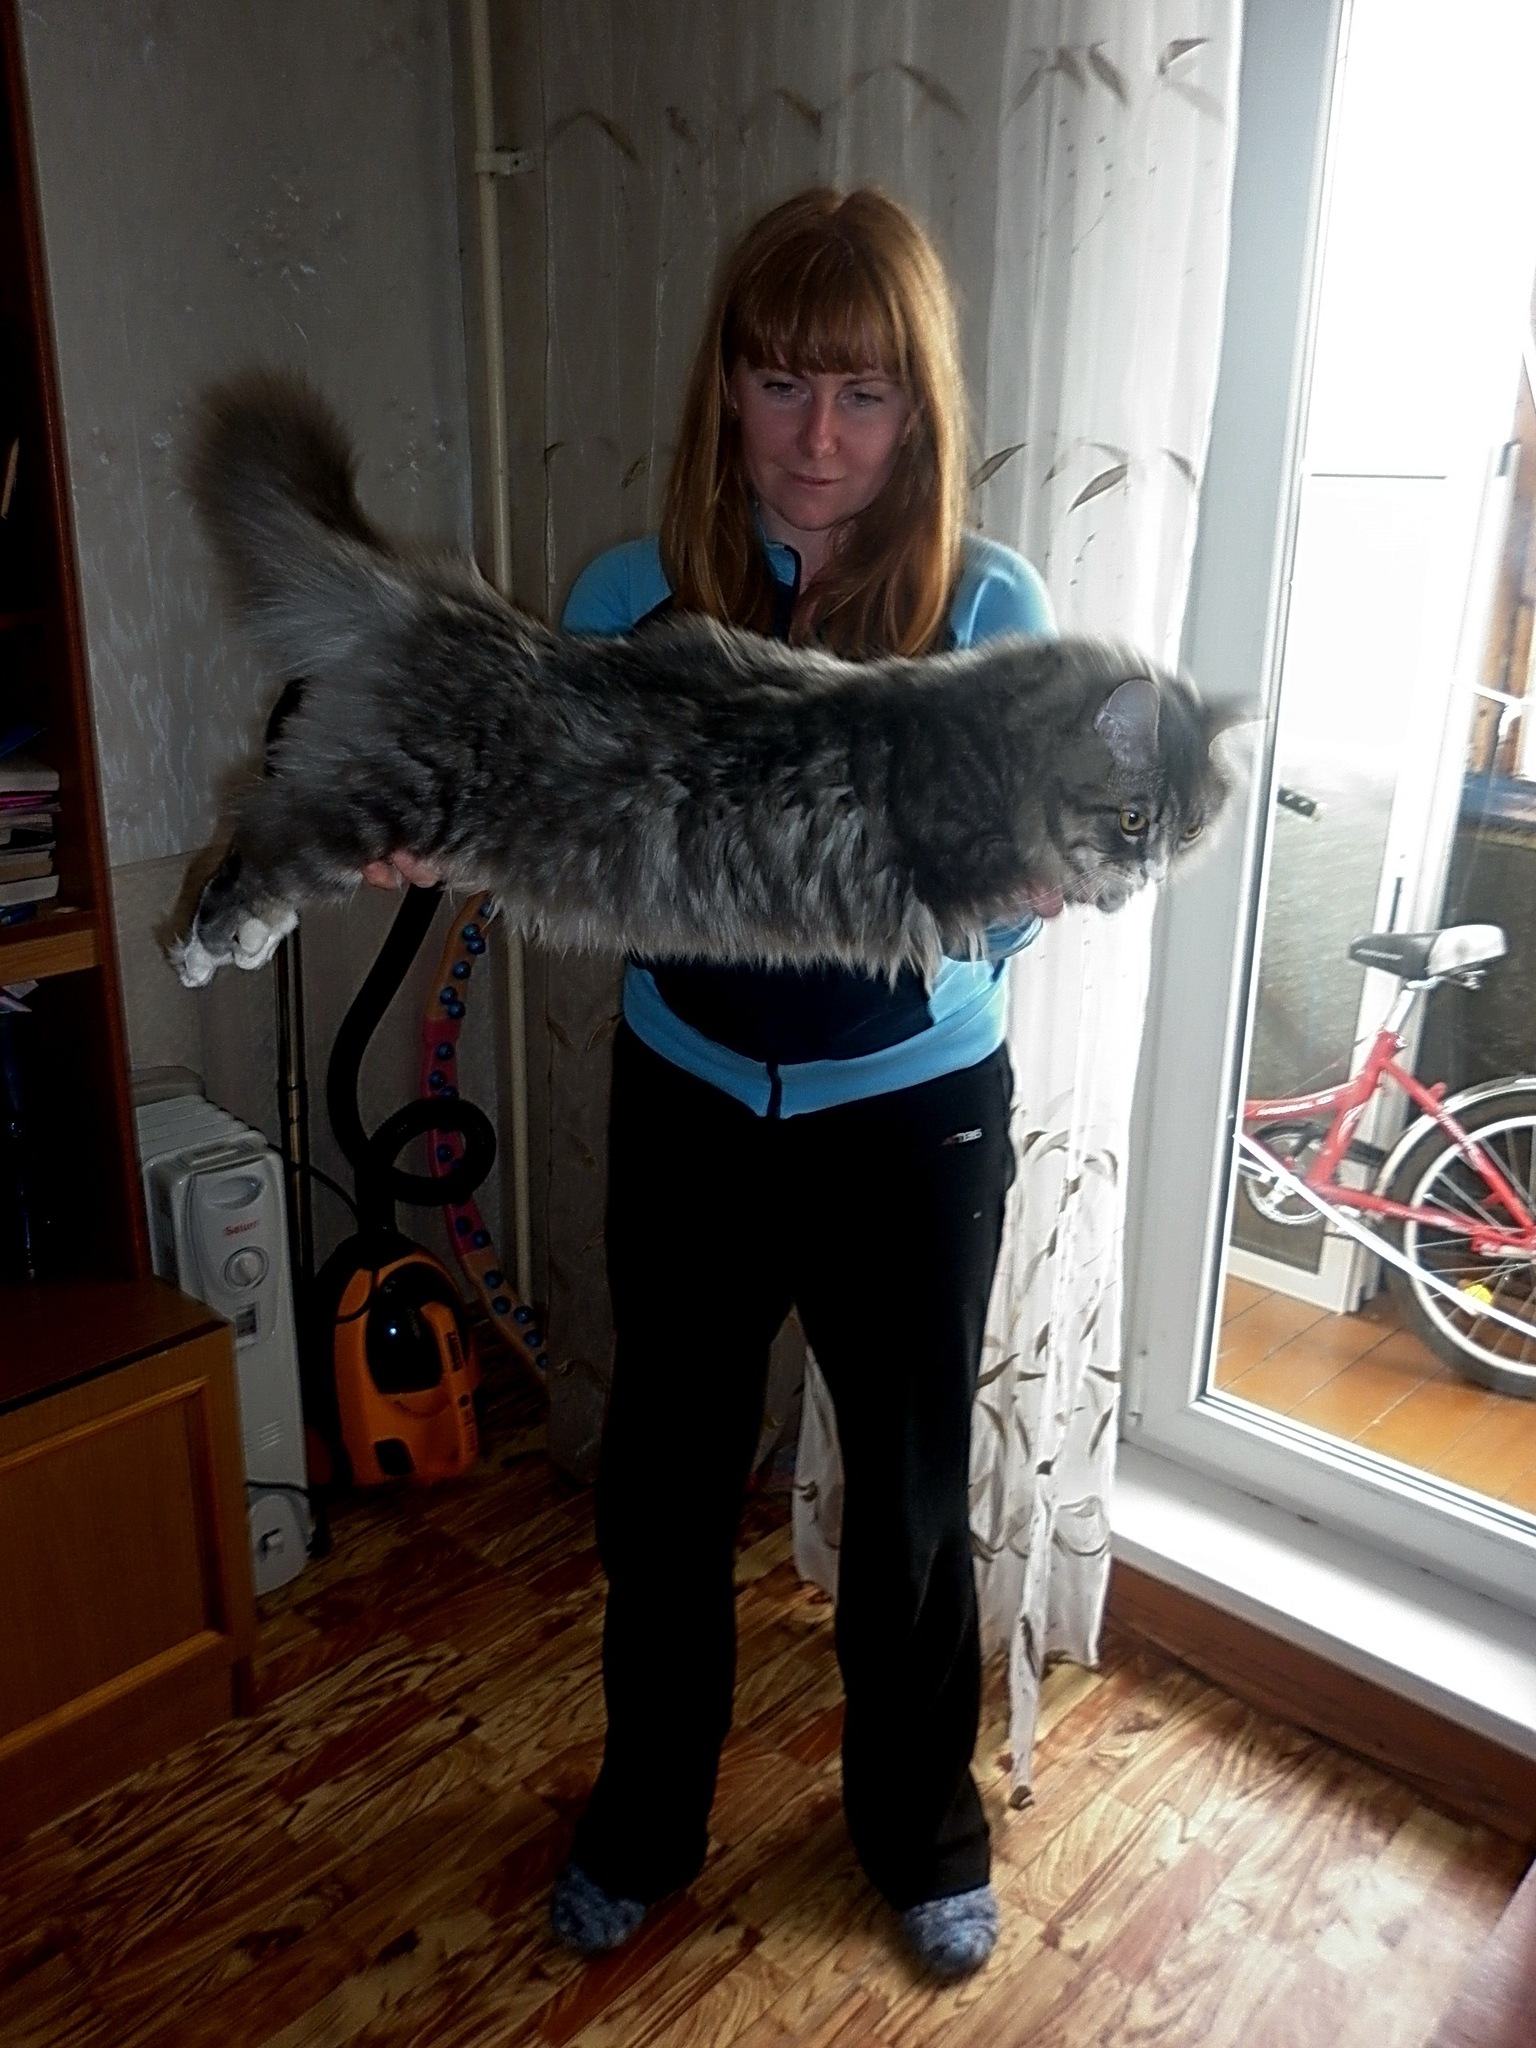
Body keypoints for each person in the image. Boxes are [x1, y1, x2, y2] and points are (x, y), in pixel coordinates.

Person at [537, 187, 1057, 1980]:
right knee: (665, 1492)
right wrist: (451, 827)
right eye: (781, 386)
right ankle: (647, 1813)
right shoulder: (630, 599)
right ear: (728, 391)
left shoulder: (987, 607)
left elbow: (1018, 895)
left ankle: (920, 1829)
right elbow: (571, 833)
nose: (818, 439)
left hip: (912, 1120)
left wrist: (1019, 899)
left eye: (863, 394)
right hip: (689, 1097)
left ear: (918, 408)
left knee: (907, 1510)